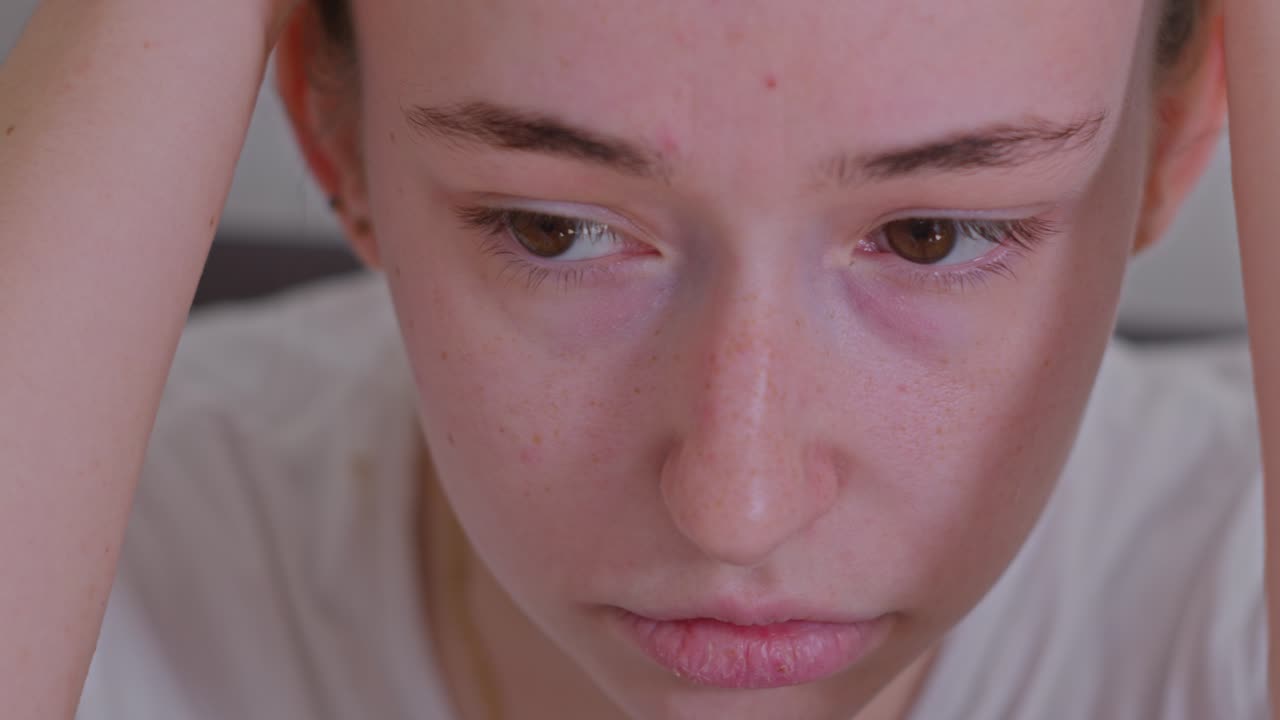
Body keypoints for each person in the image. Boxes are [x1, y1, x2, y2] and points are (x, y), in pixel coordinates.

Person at [1, 0, 1278, 718]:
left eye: (928, 236)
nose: (736, 507)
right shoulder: (124, 562)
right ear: (336, 139)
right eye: (552, 230)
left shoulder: (1216, 597)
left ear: (1171, 141)